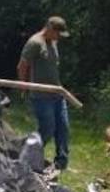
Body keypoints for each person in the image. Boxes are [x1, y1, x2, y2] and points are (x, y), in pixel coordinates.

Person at [17, 16, 71, 170]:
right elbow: (22, 66)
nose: (59, 37)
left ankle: (61, 162)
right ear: (49, 28)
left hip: (57, 94)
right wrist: (24, 88)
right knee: (47, 129)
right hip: (41, 96)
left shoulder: (53, 43)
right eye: (57, 34)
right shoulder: (35, 42)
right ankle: (27, 155)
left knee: (63, 128)